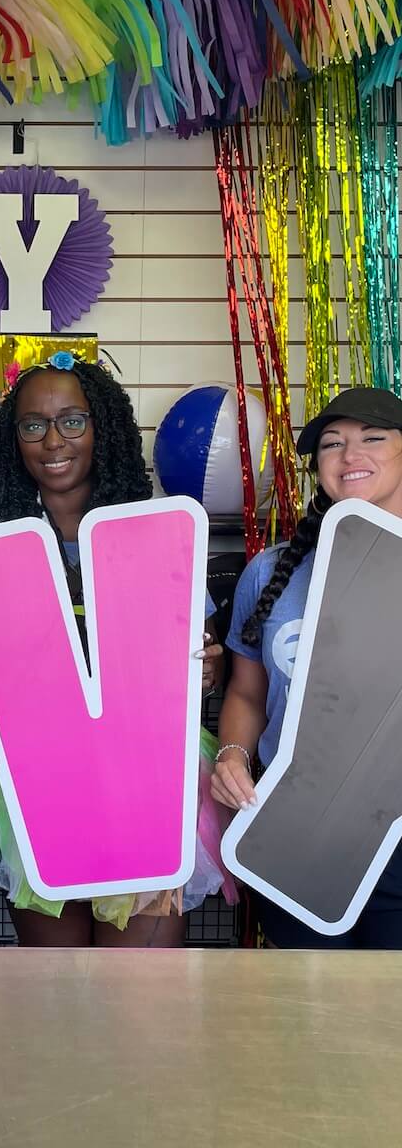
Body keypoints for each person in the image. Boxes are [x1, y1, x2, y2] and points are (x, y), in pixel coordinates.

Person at [0, 353, 228, 947]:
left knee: (143, 1007)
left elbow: (198, 655)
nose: (53, 439)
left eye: (72, 421)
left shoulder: (156, 534)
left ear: (101, 428)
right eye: (33, 424)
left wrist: (206, 669)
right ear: (15, 441)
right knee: (55, 1003)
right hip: (38, 779)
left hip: (144, 774)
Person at [213, 386, 402, 948]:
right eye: (332, 444)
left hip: (393, 831)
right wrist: (232, 757)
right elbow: (248, 693)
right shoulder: (272, 572)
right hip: (297, 827)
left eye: (373, 438)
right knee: (305, 1018)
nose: (350, 456)